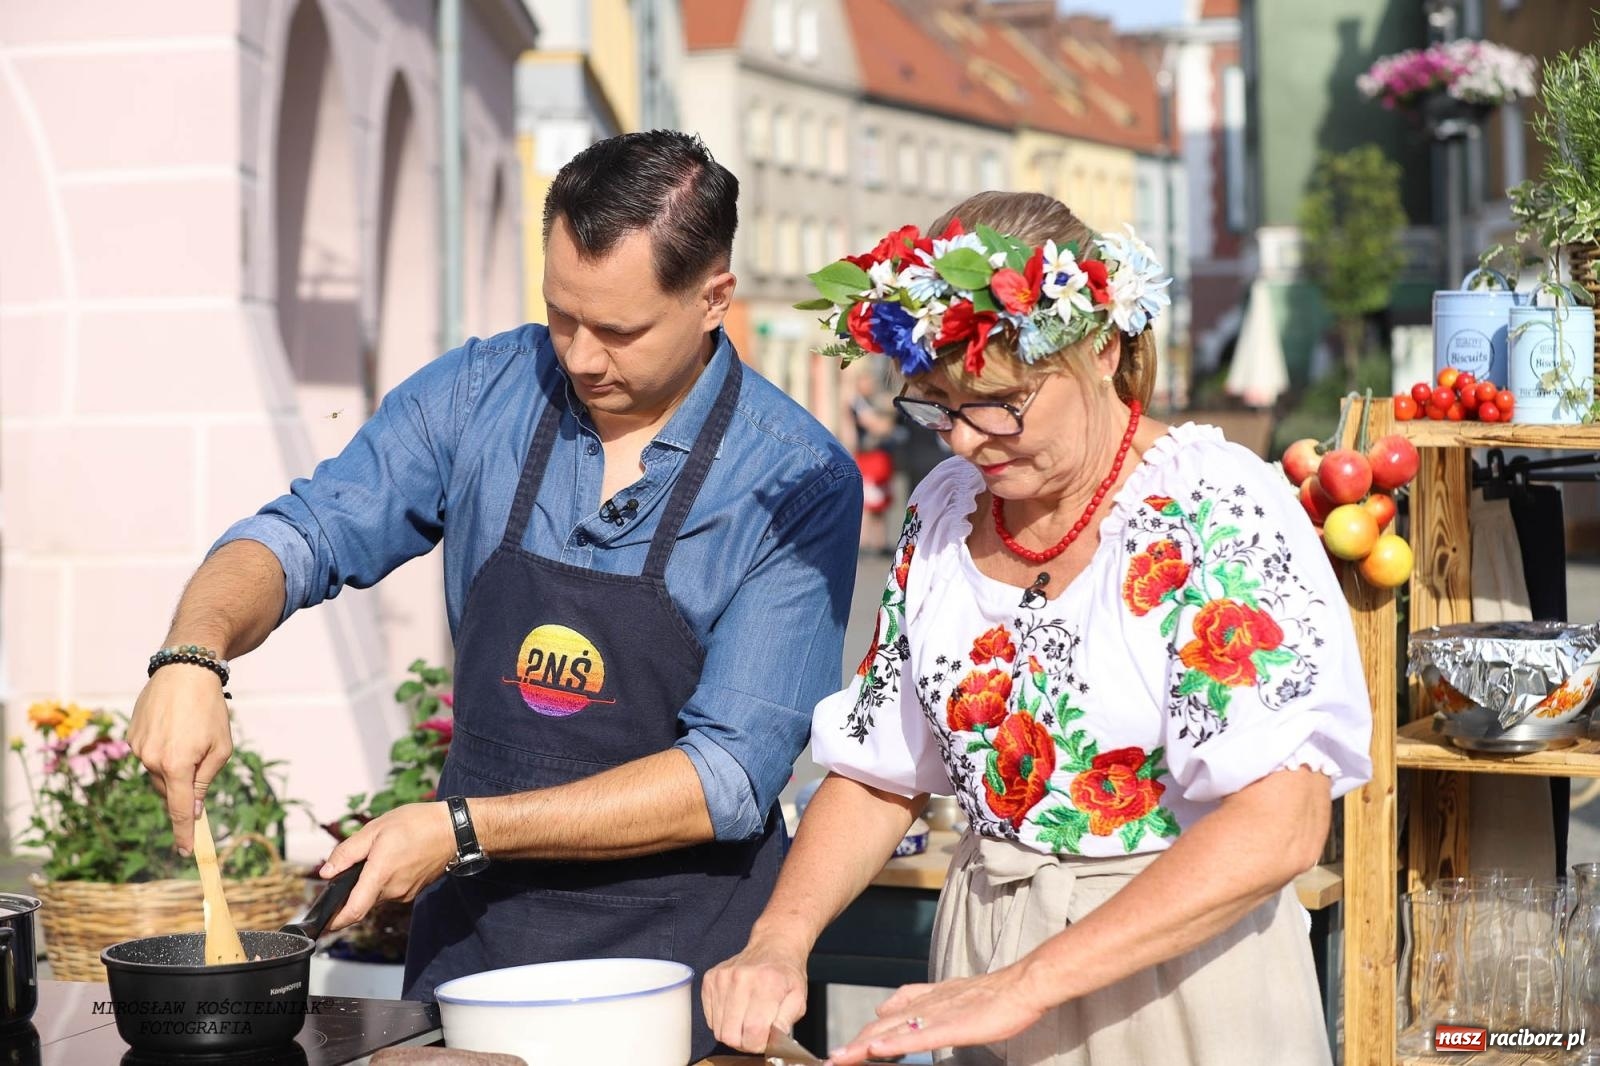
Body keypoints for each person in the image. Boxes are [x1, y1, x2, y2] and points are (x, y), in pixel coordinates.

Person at [127, 131, 863, 1059]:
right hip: (477, 960)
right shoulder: (483, 391)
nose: (582, 357)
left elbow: (728, 778)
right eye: (561, 315)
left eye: (621, 331)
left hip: (679, 979)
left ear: (715, 297)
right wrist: (193, 656)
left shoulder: (795, 480)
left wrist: (465, 830)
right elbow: (303, 532)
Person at [703, 191, 1373, 1065]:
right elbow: (877, 768)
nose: (969, 441)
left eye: (1001, 402)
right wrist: (779, 939)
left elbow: (1279, 824)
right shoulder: (946, 512)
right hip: (983, 966)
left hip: (1179, 984)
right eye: (937, 405)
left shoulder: (1214, 503)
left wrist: (1023, 986)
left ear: (1100, 347)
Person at [846, 368, 900, 555]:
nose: (869, 386)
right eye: (865, 382)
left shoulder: (873, 401)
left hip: (880, 455)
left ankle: (880, 542)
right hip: (867, 455)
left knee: (882, 501)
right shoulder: (857, 403)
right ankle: (863, 543)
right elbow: (876, 426)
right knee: (868, 501)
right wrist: (885, 424)